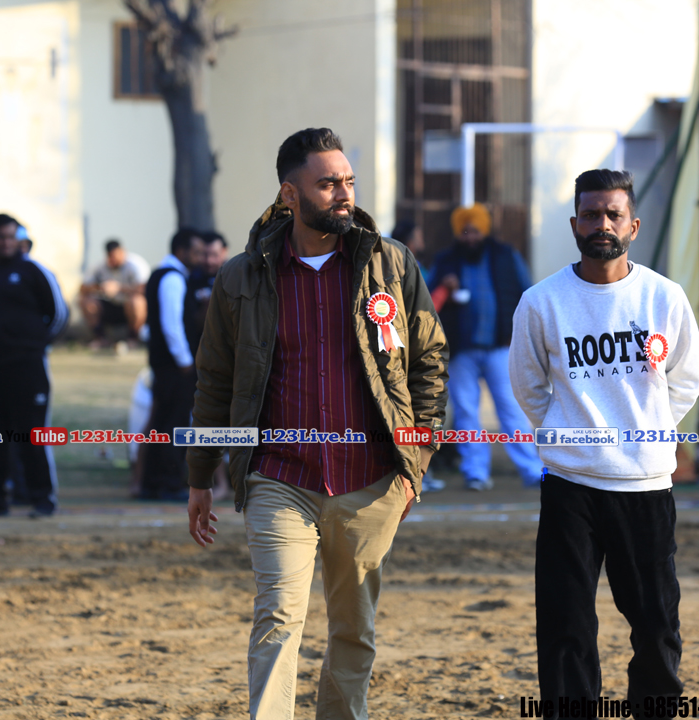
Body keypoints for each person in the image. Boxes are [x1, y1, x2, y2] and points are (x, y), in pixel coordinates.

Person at [186, 128, 448, 720]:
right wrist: (200, 474)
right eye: (328, 183)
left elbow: (429, 363)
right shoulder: (240, 277)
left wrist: (416, 462)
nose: (344, 194)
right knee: (277, 617)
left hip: (372, 480)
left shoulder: (391, 263)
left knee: (354, 628)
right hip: (279, 477)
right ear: (289, 194)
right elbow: (215, 382)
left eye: (348, 181)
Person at [509, 169, 699, 712]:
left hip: (645, 486)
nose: (602, 224)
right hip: (570, 487)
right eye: (591, 214)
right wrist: (570, 436)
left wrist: (646, 434)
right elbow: (528, 385)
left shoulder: (664, 297)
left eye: (613, 214)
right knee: (566, 627)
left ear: (633, 225)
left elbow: (686, 380)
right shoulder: (542, 302)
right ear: (575, 223)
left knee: (656, 625)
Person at [0, 214, 70, 518]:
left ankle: (42, 499)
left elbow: (59, 315)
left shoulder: (33, 271)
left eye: (11, 237)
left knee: (32, 435)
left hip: (26, 369)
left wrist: (36, 346)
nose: (6, 243)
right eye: (0, 237)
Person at [428, 203, 540, 490]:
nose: (470, 237)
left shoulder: (506, 256)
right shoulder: (446, 260)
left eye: (475, 231)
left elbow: (528, 293)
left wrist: (521, 335)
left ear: (485, 230)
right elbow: (428, 300)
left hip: (500, 347)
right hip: (460, 350)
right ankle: (475, 472)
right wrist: (444, 286)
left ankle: (532, 470)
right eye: (465, 232)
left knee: (511, 409)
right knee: (466, 412)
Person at [139, 227, 205, 501]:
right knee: (173, 424)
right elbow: (171, 325)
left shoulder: (163, 275)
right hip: (174, 367)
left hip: (166, 365)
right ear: (181, 251)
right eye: (196, 252)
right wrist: (185, 361)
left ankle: (153, 483)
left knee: (163, 421)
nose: (200, 258)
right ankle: (166, 482)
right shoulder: (172, 278)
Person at [390, 220, 445, 494]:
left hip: (412, 350)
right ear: (410, 240)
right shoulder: (403, 268)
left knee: (421, 412)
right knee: (414, 411)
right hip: (407, 352)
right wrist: (444, 290)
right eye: (419, 235)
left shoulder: (406, 265)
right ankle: (416, 472)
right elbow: (426, 310)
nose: (422, 240)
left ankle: (422, 470)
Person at [188, 230, 232, 501]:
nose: (208, 260)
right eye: (204, 254)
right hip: (203, 364)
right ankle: (215, 482)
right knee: (207, 424)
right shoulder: (191, 279)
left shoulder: (236, 276)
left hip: (233, 362)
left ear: (224, 253)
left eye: (214, 254)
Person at [80, 239, 151, 347]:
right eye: (110, 256)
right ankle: (101, 339)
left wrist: (119, 288)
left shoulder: (136, 265)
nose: (113, 260)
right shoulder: (100, 266)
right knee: (86, 301)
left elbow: (144, 289)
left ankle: (134, 338)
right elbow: (82, 288)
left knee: (137, 301)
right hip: (109, 307)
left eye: (115, 256)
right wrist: (100, 287)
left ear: (122, 252)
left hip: (129, 307)